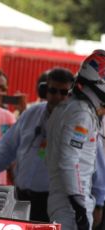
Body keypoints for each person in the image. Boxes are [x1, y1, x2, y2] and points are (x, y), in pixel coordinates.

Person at [0, 67, 75, 222]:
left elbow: (94, 163)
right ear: (44, 91)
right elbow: (7, 146)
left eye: (64, 92)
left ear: (71, 95)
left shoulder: (78, 123)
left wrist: (98, 202)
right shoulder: (31, 113)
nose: (57, 96)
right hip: (21, 196)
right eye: (53, 90)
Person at [46, 50, 105, 229]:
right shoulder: (81, 114)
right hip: (70, 204)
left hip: (66, 197)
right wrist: (79, 205)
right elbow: (69, 161)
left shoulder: (67, 107)